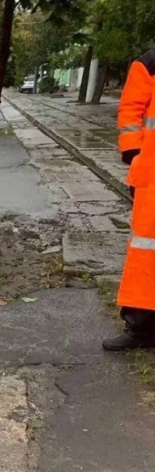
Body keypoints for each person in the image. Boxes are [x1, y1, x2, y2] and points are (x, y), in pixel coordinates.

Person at [104, 48, 155, 351]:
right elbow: (130, 112)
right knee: (146, 252)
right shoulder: (149, 64)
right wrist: (136, 156)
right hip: (152, 177)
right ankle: (140, 329)